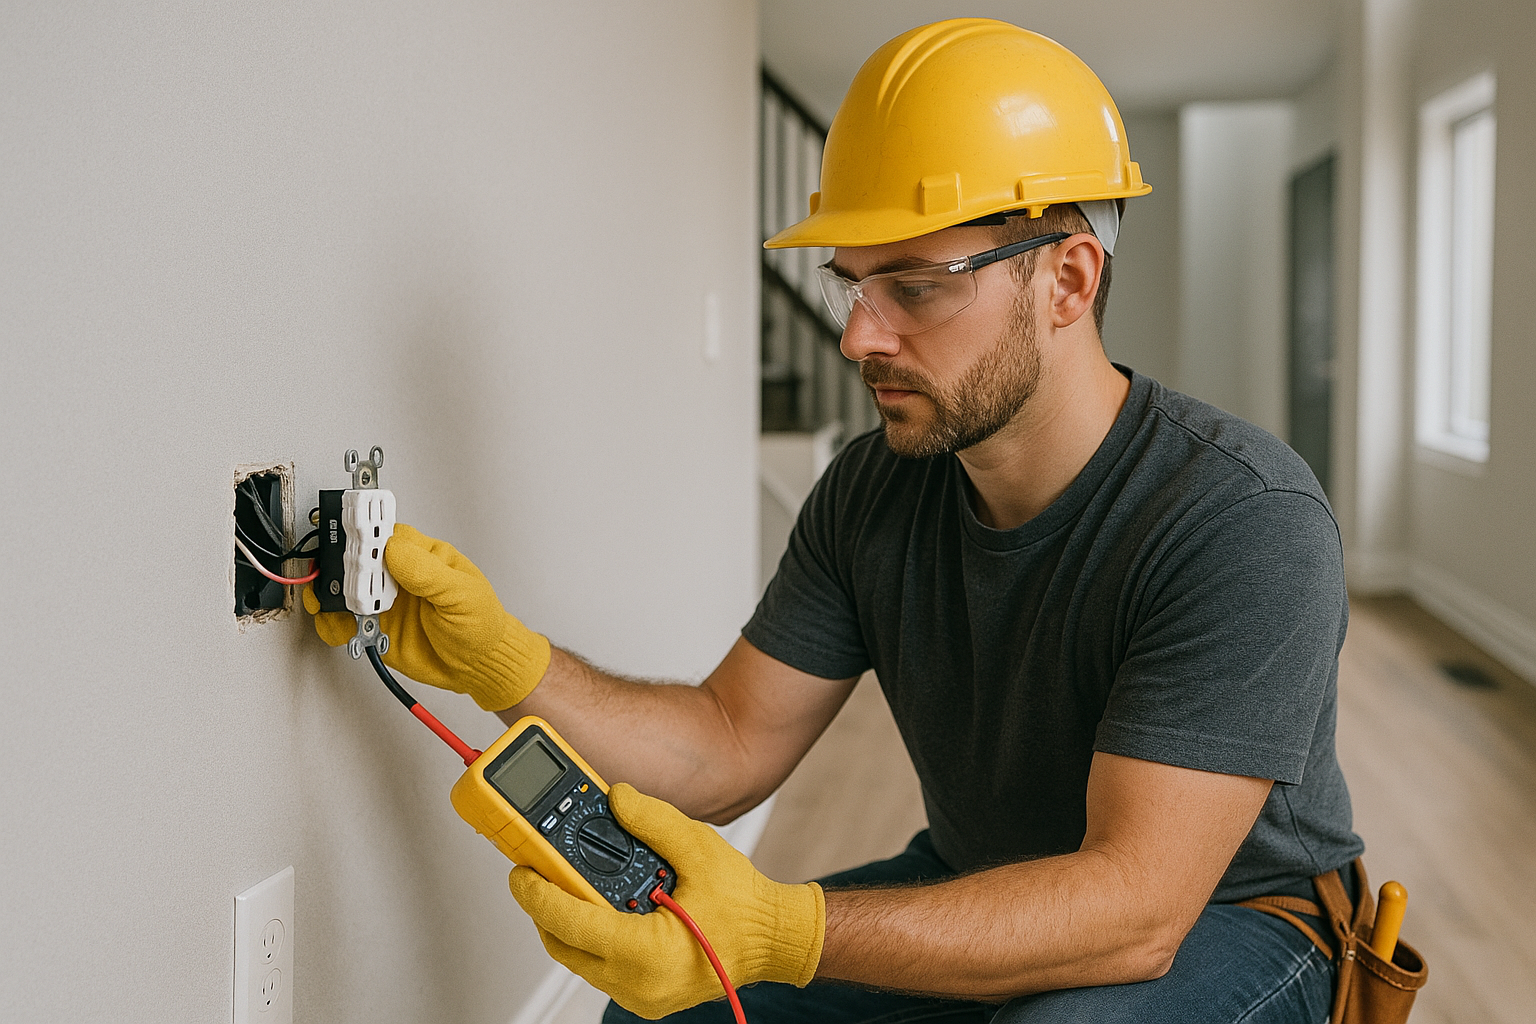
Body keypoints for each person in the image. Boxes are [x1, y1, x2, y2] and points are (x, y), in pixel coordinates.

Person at [308, 18, 1363, 1024]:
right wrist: (504, 662)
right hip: (984, 874)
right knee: (664, 1011)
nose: (858, 336)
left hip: (1236, 920)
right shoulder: (875, 489)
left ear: (1068, 280)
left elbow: (1134, 909)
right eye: (852, 284)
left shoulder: (1240, 519)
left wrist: (780, 930)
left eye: (914, 286)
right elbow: (728, 743)